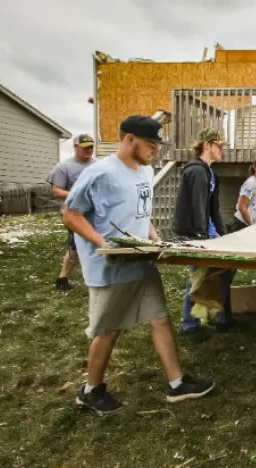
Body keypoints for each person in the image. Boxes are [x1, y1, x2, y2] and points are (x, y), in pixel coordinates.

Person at [64, 115, 215, 414]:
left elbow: (142, 216)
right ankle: (90, 391)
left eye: (158, 144)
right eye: (150, 144)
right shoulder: (101, 173)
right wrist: (102, 243)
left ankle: (177, 384)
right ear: (129, 139)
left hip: (141, 260)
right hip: (111, 267)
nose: (155, 150)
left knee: (160, 318)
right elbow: (71, 215)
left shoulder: (146, 172)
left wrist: (157, 243)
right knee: (109, 329)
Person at [172, 128, 235, 334]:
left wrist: (224, 235)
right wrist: (202, 238)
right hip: (196, 234)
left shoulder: (210, 173)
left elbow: (213, 209)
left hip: (208, 232)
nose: (222, 150)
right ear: (207, 145)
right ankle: (189, 325)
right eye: (219, 146)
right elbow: (197, 206)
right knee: (198, 277)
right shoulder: (196, 171)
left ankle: (220, 317)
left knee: (225, 270)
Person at [47, 134, 96, 292]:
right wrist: (77, 194)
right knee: (77, 245)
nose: (89, 150)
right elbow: (56, 191)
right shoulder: (63, 167)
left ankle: (95, 276)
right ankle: (62, 278)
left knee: (94, 243)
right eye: (85, 147)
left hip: (94, 213)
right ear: (75, 147)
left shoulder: (97, 165)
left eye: (91, 147)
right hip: (72, 214)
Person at [227, 157, 256, 284]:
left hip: (249, 223)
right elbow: (242, 207)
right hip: (241, 224)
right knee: (235, 258)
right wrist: (251, 225)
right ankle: (224, 285)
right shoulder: (250, 183)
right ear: (255, 169)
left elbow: (252, 206)